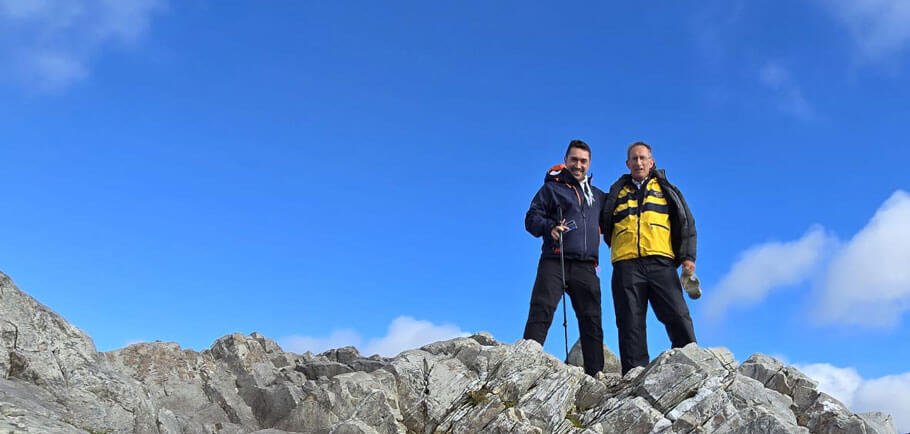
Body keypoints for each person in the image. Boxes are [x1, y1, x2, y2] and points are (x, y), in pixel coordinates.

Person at [600, 141, 698, 375]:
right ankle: (634, 374)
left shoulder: (667, 189)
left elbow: (686, 222)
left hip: (661, 261)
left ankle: (692, 366)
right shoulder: (616, 192)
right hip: (625, 264)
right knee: (629, 321)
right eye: (634, 158)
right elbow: (603, 223)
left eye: (643, 158)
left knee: (677, 313)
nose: (639, 162)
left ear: (652, 161)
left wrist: (687, 256)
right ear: (627, 163)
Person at [523, 139, 605, 376]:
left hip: (586, 265)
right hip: (554, 259)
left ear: (589, 163)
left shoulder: (598, 196)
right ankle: (524, 367)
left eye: (583, 161)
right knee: (541, 311)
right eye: (574, 160)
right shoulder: (551, 189)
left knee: (592, 321)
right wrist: (549, 227)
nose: (578, 165)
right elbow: (531, 219)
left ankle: (595, 375)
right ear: (566, 160)